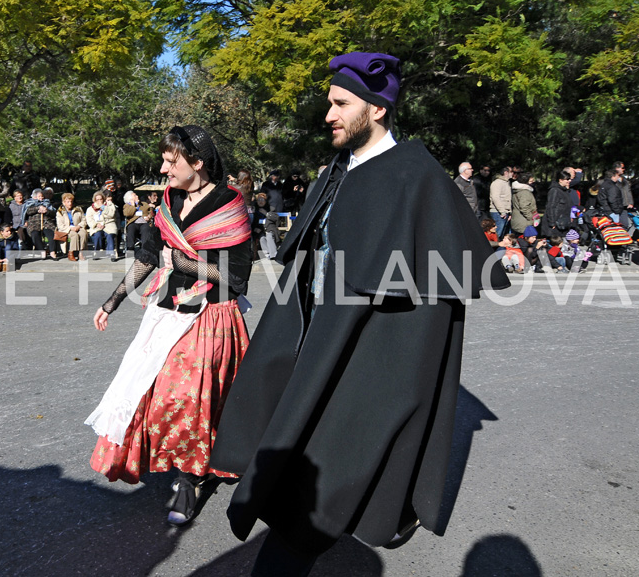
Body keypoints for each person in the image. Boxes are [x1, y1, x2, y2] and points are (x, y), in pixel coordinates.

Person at [207, 52, 509, 575]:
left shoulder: (417, 178)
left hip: (363, 372)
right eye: (329, 102)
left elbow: (432, 318)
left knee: (303, 516)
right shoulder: (333, 174)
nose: (329, 114)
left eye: (340, 103)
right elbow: (305, 272)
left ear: (377, 108)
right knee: (288, 489)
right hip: (310, 353)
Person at [86, 124, 253, 526]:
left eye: (170, 161)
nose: (163, 169)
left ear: (197, 162)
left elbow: (238, 276)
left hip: (211, 316)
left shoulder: (230, 203)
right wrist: (113, 300)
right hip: (166, 313)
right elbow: (148, 255)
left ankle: (189, 479)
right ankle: (181, 465)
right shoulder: (169, 201)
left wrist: (183, 264)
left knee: (191, 399)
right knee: (151, 391)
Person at [23, 188, 57, 259]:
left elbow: (53, 213)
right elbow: (28, 211)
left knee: (51, 234)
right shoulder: (30, 203)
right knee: (35, 234)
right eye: (39, 196)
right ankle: (42, 251)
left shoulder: (47, 203)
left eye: (42, 196)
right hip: (34, 223)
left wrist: (46, 211)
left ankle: (52, 251)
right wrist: (37, 208)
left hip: (46, 223)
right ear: (34, 197)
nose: (41, 198)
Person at [540, 170, 575, 238]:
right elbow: (551, 207)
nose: (569, 181)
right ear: (560, 180)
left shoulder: (564, 191)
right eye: (567, 179)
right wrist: (552, 222)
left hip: (562, 223)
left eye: (569, 179)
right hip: (555, 224)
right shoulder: (555, 190)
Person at [56, 192, 87, 261]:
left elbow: (84, 220)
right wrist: (70, 228)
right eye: (68, 202)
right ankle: (71, 252)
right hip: (67, 229)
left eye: (71, 201)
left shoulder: (78, 209)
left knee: (83, 233)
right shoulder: (60, 211)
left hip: (78, 227)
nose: (70, 203)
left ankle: (81, 252)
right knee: (74, 235)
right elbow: (60, 225)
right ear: (64, 202)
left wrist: (79, 226)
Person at [87, 190, 117, 259]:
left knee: (110, 234)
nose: (99, 201)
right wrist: (96, 224)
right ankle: (97, 252)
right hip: (97, 226)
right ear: (94, 200)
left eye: (101, 199)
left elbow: (111, 215)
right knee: (98, 235)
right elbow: (89, 220)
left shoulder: (109, 205)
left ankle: (111, 253)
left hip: (108, 224)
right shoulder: (90, 209)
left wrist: (104, 208)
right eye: (97, 200)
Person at [489, 167, 513, 236]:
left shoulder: (507, 183)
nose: (512, 174)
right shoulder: (497, 183)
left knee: (503, 234)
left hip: (505, 212)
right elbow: (495, 198)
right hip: (498, 212)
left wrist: (509, 212)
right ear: (506, 172)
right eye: (511, 172)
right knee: (497, 233)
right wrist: (502, 211)